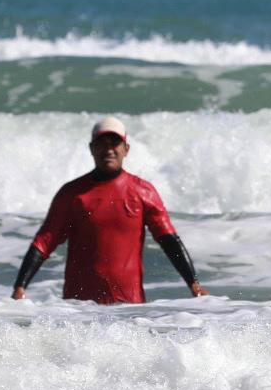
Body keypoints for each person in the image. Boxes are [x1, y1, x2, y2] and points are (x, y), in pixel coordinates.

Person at [12, 116, 208, 305]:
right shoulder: (72, 194)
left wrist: (194, 284)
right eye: (101, 144)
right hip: (79, 309)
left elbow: (169, 240)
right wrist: (20, 287)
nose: (108, 150)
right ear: (91, 148)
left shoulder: (143, 192)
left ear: (126, 149)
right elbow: (44, 242)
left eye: (114, 143)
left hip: (128, 309)